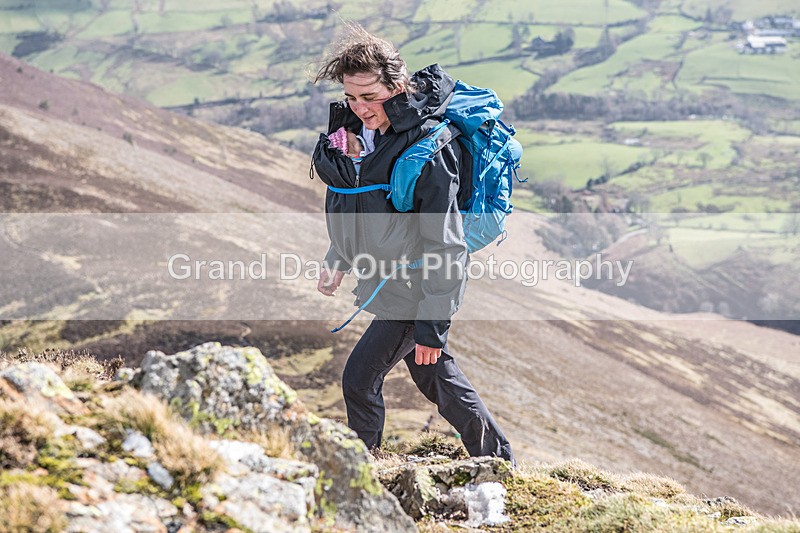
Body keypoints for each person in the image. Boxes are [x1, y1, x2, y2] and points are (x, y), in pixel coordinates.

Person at [311, 24, 514, 465]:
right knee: (432, 375)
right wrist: (338, 257)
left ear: (398, 87)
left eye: (370, 97)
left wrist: (432, 326)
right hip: (390, 279)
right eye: (351, 97)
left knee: (360, 379)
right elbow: (367, 208)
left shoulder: (427, 149)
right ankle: (498, 460)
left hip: (414, 287)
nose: (359, 108)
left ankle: (362, 470)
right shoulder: (364, 136)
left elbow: (446, 245)